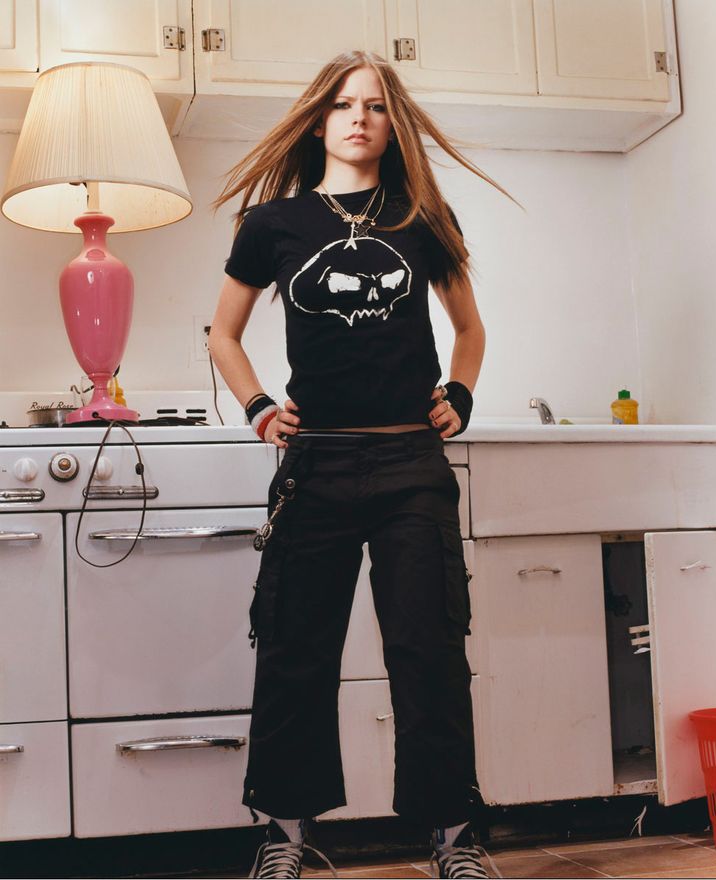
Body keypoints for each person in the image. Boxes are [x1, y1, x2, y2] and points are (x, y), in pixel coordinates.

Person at [209, 49, 522, 880]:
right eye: (346, 105)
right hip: (316, 469)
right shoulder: (273, 225)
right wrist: (257, 407)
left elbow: (470, 327)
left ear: (393, 123)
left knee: (429, 651)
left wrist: (459, 390)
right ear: (319, 119)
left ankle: (454, 840)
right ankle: (284, 835)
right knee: (293, 652)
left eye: (377, 106)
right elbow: (223, 334)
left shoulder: (422, 214)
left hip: (410, 468)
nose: (360, 118)